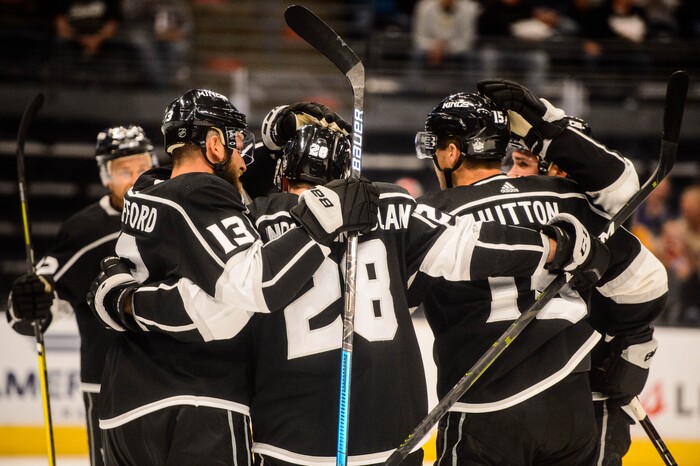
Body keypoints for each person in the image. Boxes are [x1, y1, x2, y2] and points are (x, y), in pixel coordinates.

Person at [91, 102, 605, 466]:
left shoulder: (256, 220)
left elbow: (228, 265)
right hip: (393, 429)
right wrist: (553, 247)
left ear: (282, 173)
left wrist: (122, 291)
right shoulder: (392, 204)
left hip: (288, 432)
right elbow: (466, 247)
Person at [85, 90, 379, 465]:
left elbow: (109, 291)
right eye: (237, 143)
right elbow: (258, 286)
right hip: (199, 402)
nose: (244, 157)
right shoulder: (203, 192)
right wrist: (320, 223)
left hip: (123, 405)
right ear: (213, 145)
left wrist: (131, 303)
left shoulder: (147, 192)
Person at [408, 86, 667, 465]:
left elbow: (389, 298)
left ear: (451, 152)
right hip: (573, 407)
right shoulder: (566, 198)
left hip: (488, 408)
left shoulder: (432, 212)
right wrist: (630, 343)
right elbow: (647, 281)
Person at [6, 125, 157, 466]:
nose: (136, 177)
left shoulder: (176, 214)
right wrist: (28, 302)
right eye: (124, 171)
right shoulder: (86, 229)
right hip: (107, 384)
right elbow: (40, 301)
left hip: (171, 381)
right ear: (106, 177)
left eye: (143, 167)